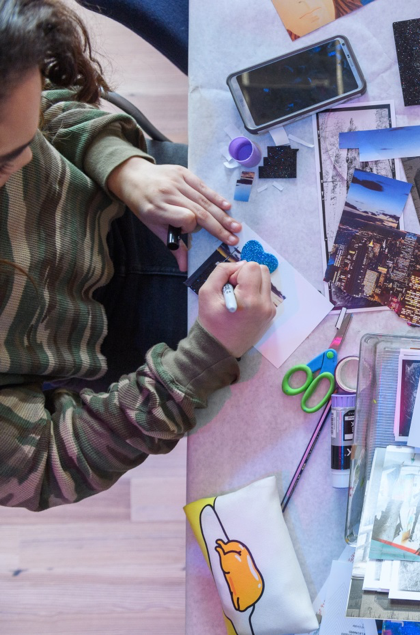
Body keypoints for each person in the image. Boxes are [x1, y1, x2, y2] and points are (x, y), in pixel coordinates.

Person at [0, 0, 275, 510]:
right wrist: (206, 355)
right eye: (6, 163)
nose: (29, 158)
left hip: (125, 197)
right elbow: (45, 466)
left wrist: (122, 167)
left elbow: (45, 99)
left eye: (27, 138)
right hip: (114, 340)